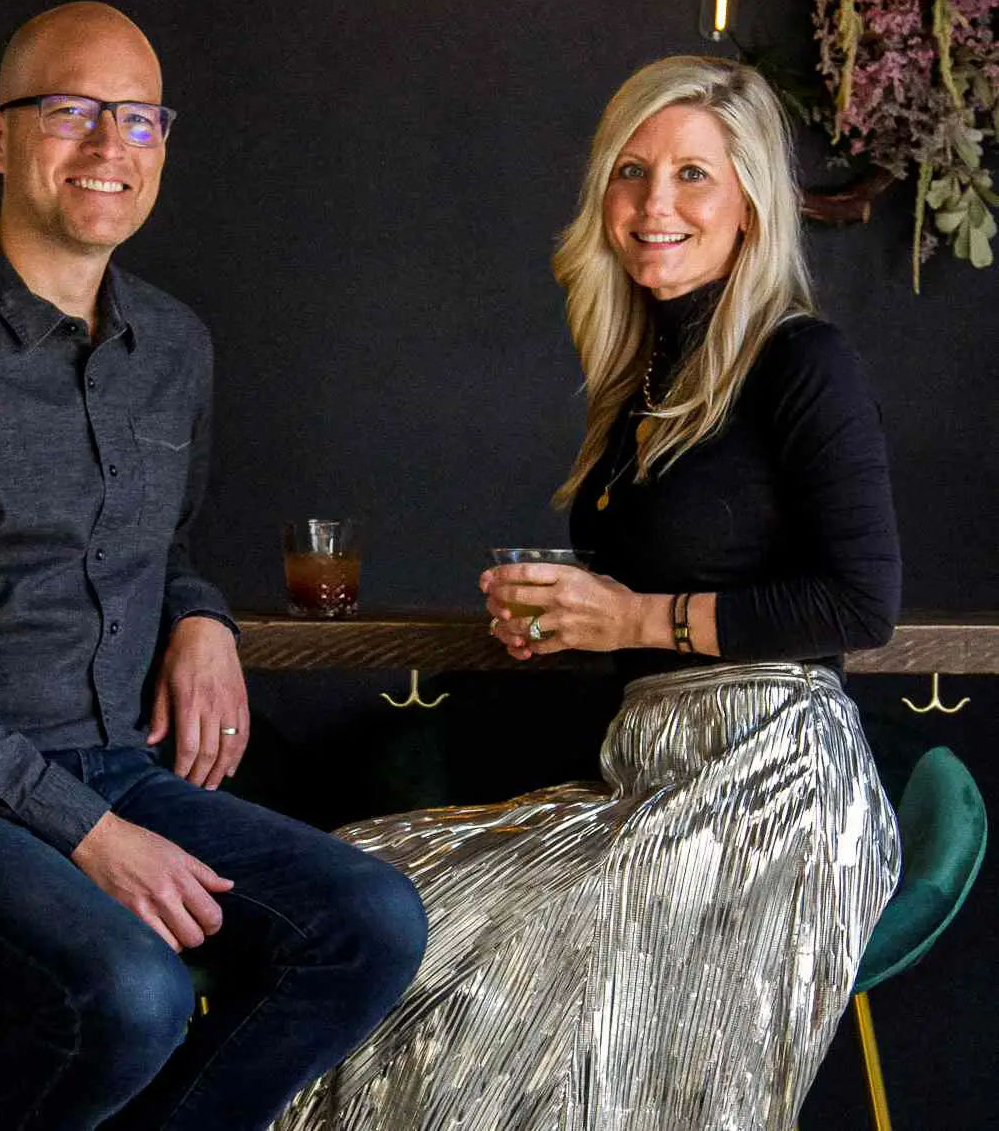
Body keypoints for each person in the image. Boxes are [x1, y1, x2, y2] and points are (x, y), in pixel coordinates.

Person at [0, 2, 426, 1131]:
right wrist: (82, 829)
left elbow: (156, 544)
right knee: (132, 992)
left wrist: (201, 616)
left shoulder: (173, 347)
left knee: (370, 921)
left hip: (112, 768)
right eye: (70, 111)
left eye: (137, 119)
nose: (107, 146)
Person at [274, 55, 901, 1131]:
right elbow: (675, 592)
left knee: (476, 987)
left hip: (773, 791)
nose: (655, 204)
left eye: (693, 175)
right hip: (647, 777)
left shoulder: (802, 360)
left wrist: (635, 618)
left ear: (750, 201)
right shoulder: (642, 376)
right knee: (354, 891)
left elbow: (861, 604)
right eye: (630, 171)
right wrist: (569, 625)